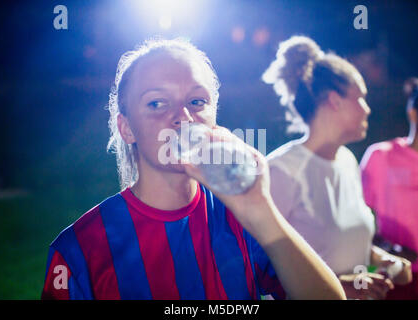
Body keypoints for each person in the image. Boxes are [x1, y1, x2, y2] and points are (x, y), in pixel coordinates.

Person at [41, 38, 345, 300]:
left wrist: (261, 209)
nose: (183, 117)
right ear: (126, 128)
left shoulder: (241, 216)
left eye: (197, 101)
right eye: (157, 103)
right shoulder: (79, 250)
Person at [264, 36, 412, 300]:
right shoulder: (280, 171)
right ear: (334, 101)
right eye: (361, 99)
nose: (367, 110)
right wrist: (337, 287)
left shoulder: (346, 160)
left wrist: (387, 260)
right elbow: (259, 268)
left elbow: (347, 245)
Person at [360, 78, 418, 300]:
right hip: (397, 277)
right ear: (414, 114)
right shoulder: (381, 157)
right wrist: (390, 248)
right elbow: (352, 218)